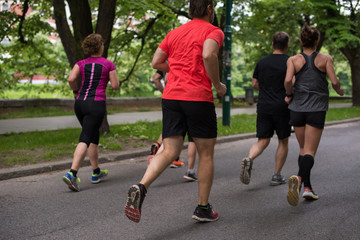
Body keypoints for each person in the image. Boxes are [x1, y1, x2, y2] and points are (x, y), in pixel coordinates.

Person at [124, 0, 226, 223]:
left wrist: (179, 66)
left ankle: (141, 186)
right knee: (206, 153)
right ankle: (202, 208)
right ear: (209, 9)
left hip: (171, 97)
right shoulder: (213, 31)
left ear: (190, 11)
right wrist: (217, 85)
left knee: (169, 150)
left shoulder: (175, 33)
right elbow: (209, 55)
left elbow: (156, 62)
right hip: (198, 97)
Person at [284, 24, 343, 206]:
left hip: (297, 108)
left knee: (303, 149)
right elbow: (333, 81)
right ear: (316, 41)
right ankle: (300, 179)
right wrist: (339, 90)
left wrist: (289, 94)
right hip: (316, 109)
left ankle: (307, 189)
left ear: (301, 41)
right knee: (310, 151)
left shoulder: (293, 60)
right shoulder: (325, 59)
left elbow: (287, 81)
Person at [62, 33, 119, 192]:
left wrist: (75, 92)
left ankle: (96, 173)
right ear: (100, 47)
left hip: (80, 103)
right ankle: (72, 173)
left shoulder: (80, 63)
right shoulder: (108, 64)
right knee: (86, 137)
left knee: (92, 134)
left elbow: (71, 79)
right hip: (96, 104)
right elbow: (115, 86)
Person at [240, 32, 292, 186]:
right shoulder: (290, 62)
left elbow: (254, 83)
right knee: (283, 141)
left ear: (272, 44)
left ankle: (249, 158)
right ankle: (276, 175)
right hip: (282, 107)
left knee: (263, 140)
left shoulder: (262, 62)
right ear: (286, 45)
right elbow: (292, 82)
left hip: (264, 106)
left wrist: (265, 89)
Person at [149, 70, 185, 168]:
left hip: (168, 97)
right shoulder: (175, 59)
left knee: (170, 126)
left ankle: (158, 144)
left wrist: (164, 92)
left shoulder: (164, 60)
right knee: (179, 128)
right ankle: (175, 158)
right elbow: (167, 78)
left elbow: (156, 79)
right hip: (180, 95)